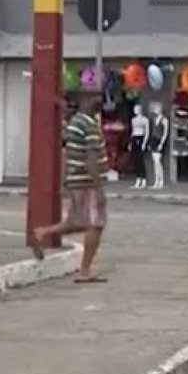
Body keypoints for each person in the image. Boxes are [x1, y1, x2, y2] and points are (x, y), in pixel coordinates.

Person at [30, 85, 109, 283]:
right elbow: (90, 156)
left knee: (77, 221)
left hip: (78, 179)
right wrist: (98, 187)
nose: (99, 100)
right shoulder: (87, 124)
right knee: (95, 225)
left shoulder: (76, 122)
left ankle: (42, 233)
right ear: (83, 99)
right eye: (94, 96)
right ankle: (85, 271)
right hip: (87, 181)